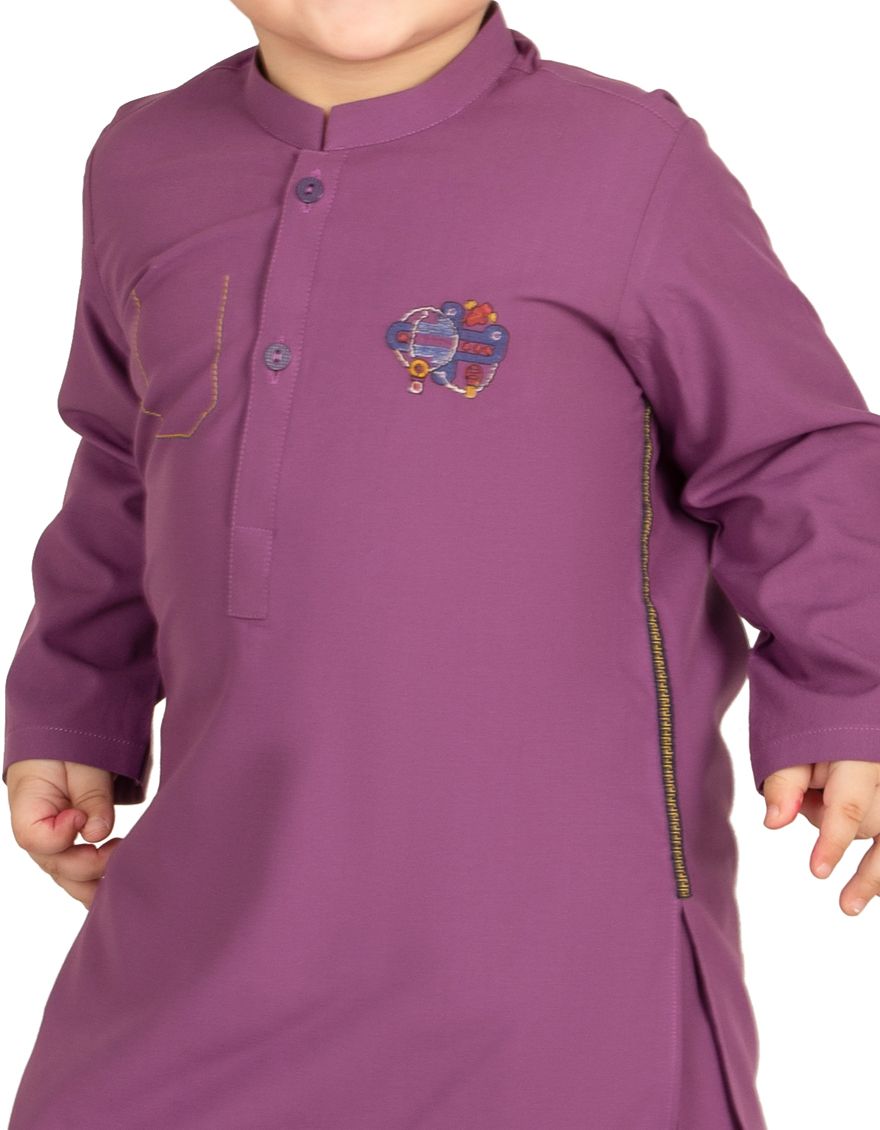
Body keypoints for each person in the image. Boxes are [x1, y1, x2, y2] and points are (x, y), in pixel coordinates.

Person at [4, 2, 879, 1126]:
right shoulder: (145, 162)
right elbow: (124, 461)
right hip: (212, 912)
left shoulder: (625, 160)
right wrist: (77, 709)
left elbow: (792, 452)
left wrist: (853, 695)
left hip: (548, 950)